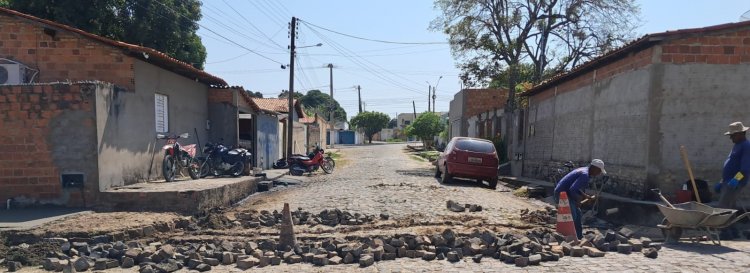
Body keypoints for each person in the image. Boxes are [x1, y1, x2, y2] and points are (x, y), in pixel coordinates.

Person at [554, 159, 605, 239]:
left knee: (578, 214)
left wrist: (585, 196)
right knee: (572, 216)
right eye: (599, 171)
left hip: (567, 193)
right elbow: (572, 189)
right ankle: (566, 238)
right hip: (562, 194)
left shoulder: (584, 171)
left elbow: (576, 188)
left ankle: (579, 237)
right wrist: (578, 200)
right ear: (595, 168)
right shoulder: (585, 175)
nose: (599, 173)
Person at [716, 121, 750, 209]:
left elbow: (745, 169)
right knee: (730, 208)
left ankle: (724, 223)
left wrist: (735, 180)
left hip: (735, 183)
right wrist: (722, 181)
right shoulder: (737, 145)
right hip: (728, 181)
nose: (730, 137)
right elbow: (731, 163)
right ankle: (731, 222)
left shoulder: (746, 146)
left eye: (733, 135)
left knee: (723, 209)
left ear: (741, 134)